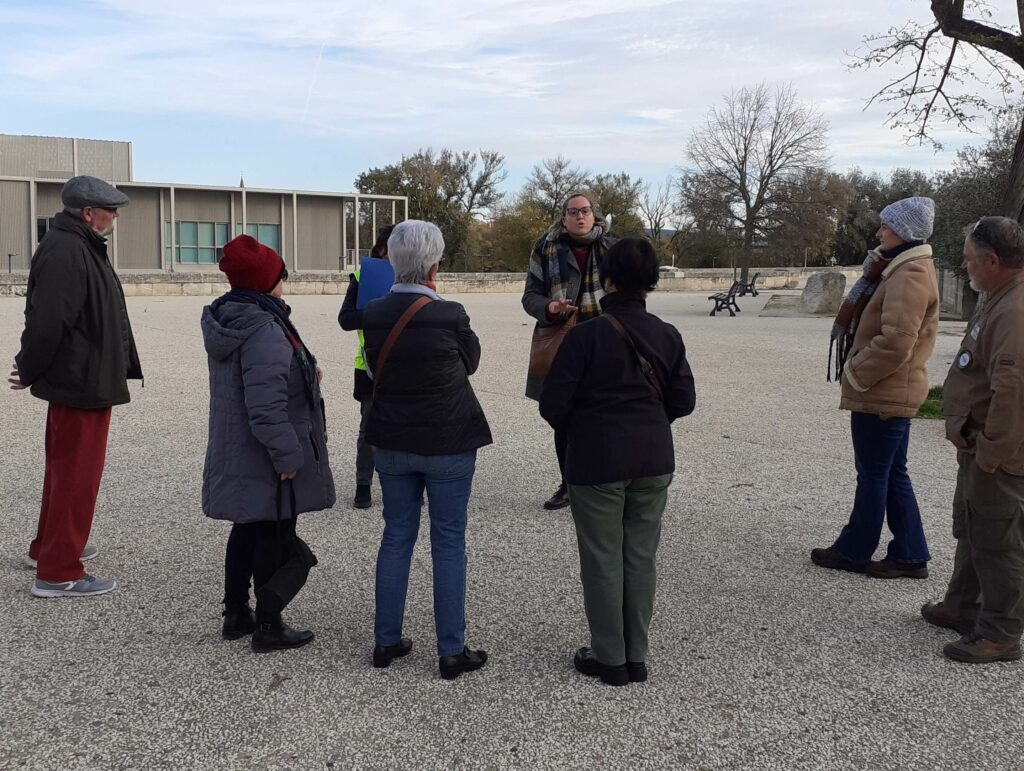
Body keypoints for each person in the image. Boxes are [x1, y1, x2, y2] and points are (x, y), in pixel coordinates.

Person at [539, 238, 696, 686]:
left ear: (606, 279)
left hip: (597, 458)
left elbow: (553, 404)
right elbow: (684, 400)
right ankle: (636, 654)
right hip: (652, 456)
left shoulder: (586, 336)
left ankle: (610, 656)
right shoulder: (667, 334)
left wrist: (588, 425)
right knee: (641, 556)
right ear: (651, 282)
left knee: (603, 557)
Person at [361, 220, 492, 679]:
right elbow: (471, 361)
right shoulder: (451, 313)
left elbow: (376, 366)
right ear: (435, 264)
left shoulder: (374, 313)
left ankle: (386, 640)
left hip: (392, 438)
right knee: (449, 542)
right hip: (448, 440)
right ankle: (451, 649)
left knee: (396, 536)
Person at [201, 234, 336, 653]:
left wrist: (306, 373)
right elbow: (265, 406)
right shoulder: (263, 329)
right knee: (275, 532)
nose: (285, 283)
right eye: (280, 276)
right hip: (264, 451)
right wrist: (287, 456)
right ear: (264, 281)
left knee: (247, 527)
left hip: (238, 445)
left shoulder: (234, 317)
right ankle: (268, 624)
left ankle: (236, 613)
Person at [9, 175, 142, 598]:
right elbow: (47, 321)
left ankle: (49, 549)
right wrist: (28, 367)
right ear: (88, 213)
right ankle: (58, 571)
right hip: (81, 380)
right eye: (110, 209)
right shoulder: (69, 249)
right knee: (75, 475)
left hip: (83, 377)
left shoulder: (76, 244)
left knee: (65, 470)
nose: (115, 216)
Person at [812, 196, 939, 579]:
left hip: (884, 392)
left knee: (873, 474)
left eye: (886, 225)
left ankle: (854, 550)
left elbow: (898, 340)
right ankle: (910, 553)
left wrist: (856, 372)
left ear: (903, 232)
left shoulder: (909, 272)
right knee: (890, 471)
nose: (879, 232)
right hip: (891, 391)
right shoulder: (901, 267)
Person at [922, 216, 1024, 664]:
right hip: (976, 442)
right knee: (973, 527)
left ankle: (1000, 631)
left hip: (996, 452)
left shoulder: (1015, 309)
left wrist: (993, 450)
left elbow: (1014, 387)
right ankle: (961, 605)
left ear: (992, 260)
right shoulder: (1000, 297)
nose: (965, 269)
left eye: (968, 261)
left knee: (998, 538)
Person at [522, 193, 614, 511]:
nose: (579, 216)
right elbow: (529, 296)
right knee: (562, 417)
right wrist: (548, 306)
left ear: (594, 215)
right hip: (562, 341)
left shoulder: (611, 249)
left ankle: (601, 483)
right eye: (573, 212)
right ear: (564, 218)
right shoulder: (545, 247)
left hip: (604, 342)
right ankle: (569, 483)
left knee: (603, 415)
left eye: (585, 211)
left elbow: (631, 291)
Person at [339, 225, 395, 509]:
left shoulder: (415, 278)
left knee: (405, 426)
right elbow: (346, 319)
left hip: (406, 362)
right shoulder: (363, 276)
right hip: (370, 364)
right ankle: (363, 485)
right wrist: (380, 312)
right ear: (380, 250)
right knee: (368, 428)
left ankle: (406, 484)